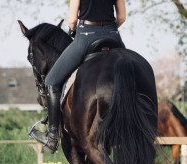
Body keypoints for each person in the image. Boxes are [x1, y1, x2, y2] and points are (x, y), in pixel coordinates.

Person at [30, 0, 126, 154]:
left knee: (51, 82)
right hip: (113, 35)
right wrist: (107, 30)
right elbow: (121, 17)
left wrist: (73, 29)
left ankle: (52, 136)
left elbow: (73, 20)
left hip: (86, 36)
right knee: (129, 77)